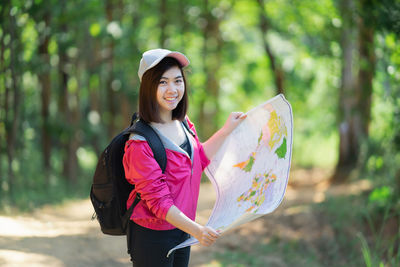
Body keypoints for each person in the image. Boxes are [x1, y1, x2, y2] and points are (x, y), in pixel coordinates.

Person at [123, 48, 247, 267]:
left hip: (182, 229)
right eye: (162, 82)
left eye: (177, 81)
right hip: (154, 237)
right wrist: (197, 230)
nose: (172, 89)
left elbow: (197, 160)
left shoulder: (184, 124)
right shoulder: (139, 142)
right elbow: (159, 202)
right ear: (148, 87)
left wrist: (226, 130)